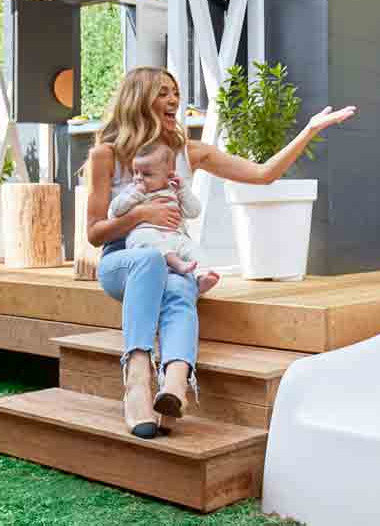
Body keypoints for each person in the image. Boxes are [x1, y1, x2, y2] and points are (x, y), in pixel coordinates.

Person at [86, 66, 355, 437]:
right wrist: (141, 214)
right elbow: (95, 234)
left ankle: (175, 385)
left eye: (175, 92)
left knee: (181, 286)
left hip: (172, 259)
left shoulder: (187, 152)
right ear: (140, 98)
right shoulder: (107, 155)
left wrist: (308, 130)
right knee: (152, 261)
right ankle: (136, 379)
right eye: (164, 92)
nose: (174, 100)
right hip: (124, 259)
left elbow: (263, 175)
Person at [107, 141, 218, 294]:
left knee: (193, 249)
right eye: (135, 172)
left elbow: (194, 211)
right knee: (146, 239)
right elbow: (115, 211)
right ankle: (177, 264)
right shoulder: (132, 191)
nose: (138, 178)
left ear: (168, 175)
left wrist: (183, 190)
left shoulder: (174, 191)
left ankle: (203, 276)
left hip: (176, 236)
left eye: (146, 174)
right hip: (145, 235)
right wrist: (135, 195)